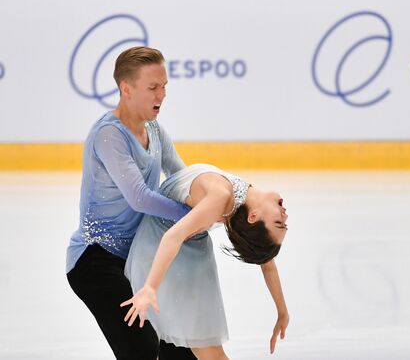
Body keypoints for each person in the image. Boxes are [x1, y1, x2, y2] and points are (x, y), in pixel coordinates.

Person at [66, 46, 197, 360]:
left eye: (164, 86)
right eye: (153, 87)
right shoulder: (109, 135)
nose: (162, 94)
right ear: (126, 89)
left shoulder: (154, 129)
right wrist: (191, 216)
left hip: (137, 260)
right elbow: (139, 198)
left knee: (180, 346)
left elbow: (181, 177)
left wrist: (213, 200)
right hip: (96, 262)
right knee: (142, 350)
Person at [122, 163, 290, 360]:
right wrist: (150, 287)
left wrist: (282, 311)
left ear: (253, 217)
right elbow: (172, 237)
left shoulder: (227, 198)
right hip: (164, 248)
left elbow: (266, 260)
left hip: (180, 249)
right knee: (208, 350)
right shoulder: (232, 198)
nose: (284, 215)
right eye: (282, 223)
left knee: (209, 350)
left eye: (279, 222)